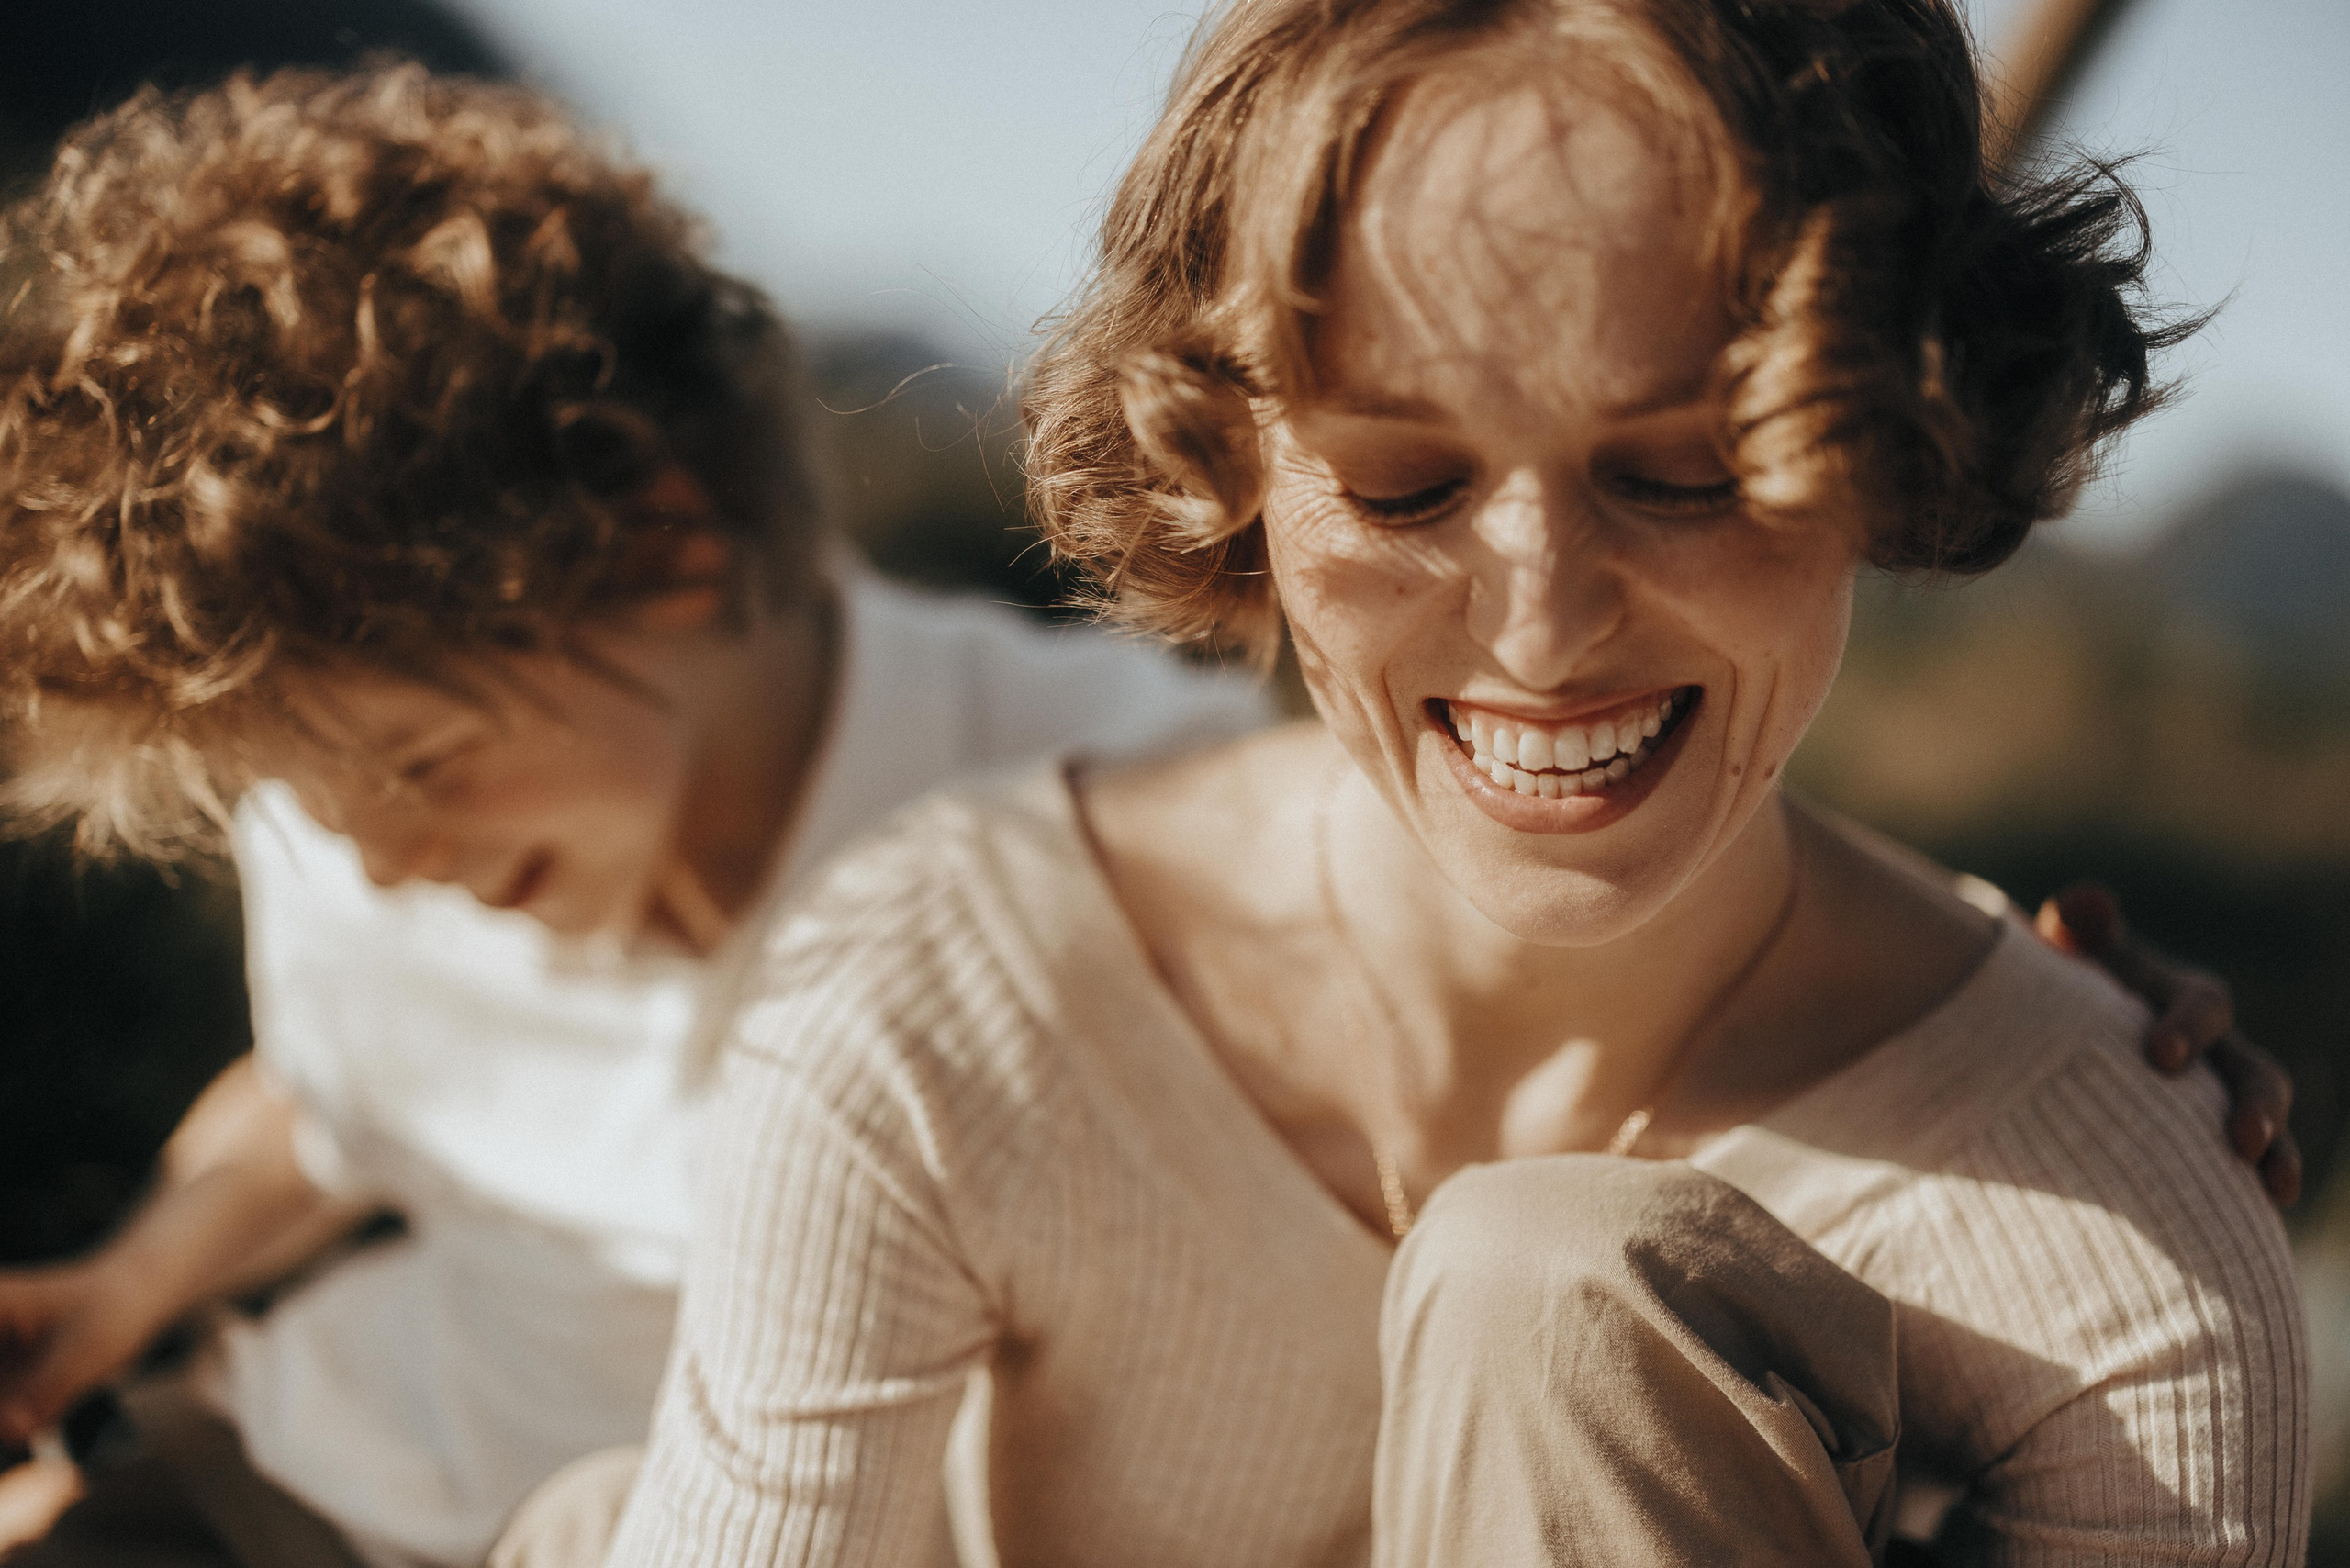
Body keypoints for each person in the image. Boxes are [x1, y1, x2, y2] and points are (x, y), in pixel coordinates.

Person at [589, 1, 2311, 1563]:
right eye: (1403, 487)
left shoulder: (2117, 1219)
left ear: (1892, 442)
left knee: (1554, 1295)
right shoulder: (933, 1001)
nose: (1545, 626)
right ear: (1230, 467)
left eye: (1683, 473)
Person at [0, 65, 1273, 1568]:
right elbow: (338, 1087)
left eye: (421, 768)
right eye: (297, 800)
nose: (383, 869)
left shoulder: (1143, 811)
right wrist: (128, 1287)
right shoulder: (363, 841)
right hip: (297, 1477)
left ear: (660, 540)